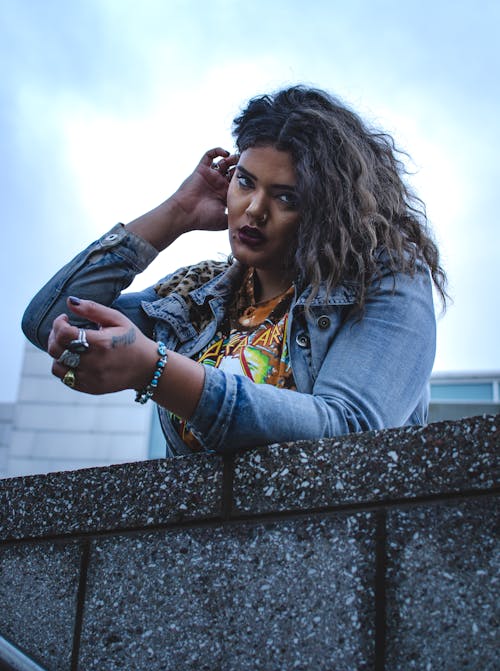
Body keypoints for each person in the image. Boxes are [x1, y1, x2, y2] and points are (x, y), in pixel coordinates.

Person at [22, 85, 446, 456]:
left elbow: (349, 430)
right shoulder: (196, 297)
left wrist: (159, 371)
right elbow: (53, 323)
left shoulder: (384, 281)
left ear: (328, 210)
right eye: (245, 182)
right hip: (199, 542)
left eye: (287, 199)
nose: (255, 210)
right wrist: (177, 212)